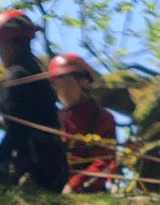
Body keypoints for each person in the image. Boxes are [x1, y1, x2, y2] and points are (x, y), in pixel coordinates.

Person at [0, 10, 68, 191]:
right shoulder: (35, 71)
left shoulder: (18, 75)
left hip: (34, 168)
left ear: (11, 44)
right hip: (53, 168)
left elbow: (17, 133)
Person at [48, 53, 118, 194]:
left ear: (84, 82)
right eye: (57, 85)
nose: (63, 91)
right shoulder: (56, 118)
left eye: (67, 83)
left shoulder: (101, 118)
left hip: (88, 191)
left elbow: (104, 163)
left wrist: (74, 185)